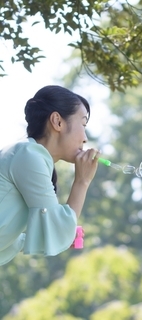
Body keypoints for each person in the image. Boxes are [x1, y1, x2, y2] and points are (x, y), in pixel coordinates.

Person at [0, 85, 100, 265]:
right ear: (57, 121)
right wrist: (82, 181)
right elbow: (59, 227)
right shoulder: (28, 155)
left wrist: (62, 232)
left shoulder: (28, 155)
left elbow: (7, 231)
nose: (85, 138)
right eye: (83, 124)